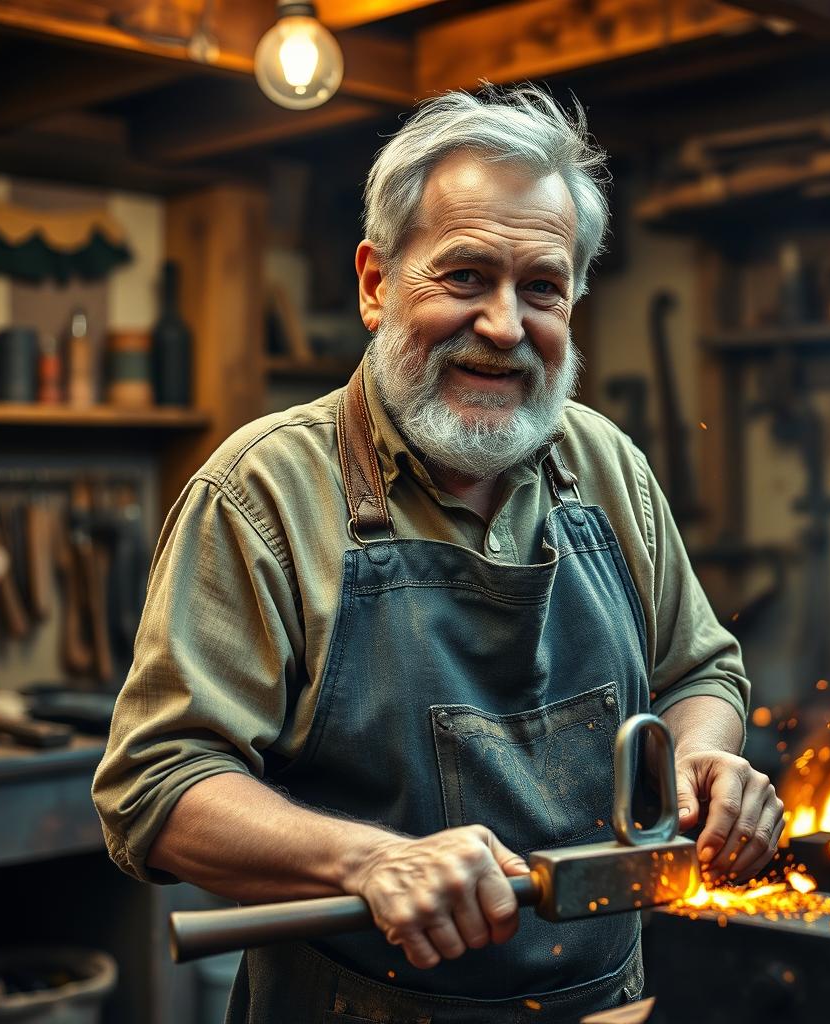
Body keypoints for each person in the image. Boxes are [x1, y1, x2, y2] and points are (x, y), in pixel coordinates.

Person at [92, 84, 784, 1023]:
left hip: (611, 1005)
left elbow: (698, 668)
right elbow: (158, 784)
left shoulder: (604, 460)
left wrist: (702, 760)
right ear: (378, 283)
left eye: (541, 287)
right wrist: (368, 860)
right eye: (465, 277)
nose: (505, 326)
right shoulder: (263, 492)